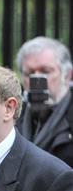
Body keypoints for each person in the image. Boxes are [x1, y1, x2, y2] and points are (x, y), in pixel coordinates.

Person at [15, 36, 73, 167]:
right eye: (30, 73)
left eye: (45, 72)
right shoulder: (12, 117)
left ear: (68, 75)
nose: (37, 79)